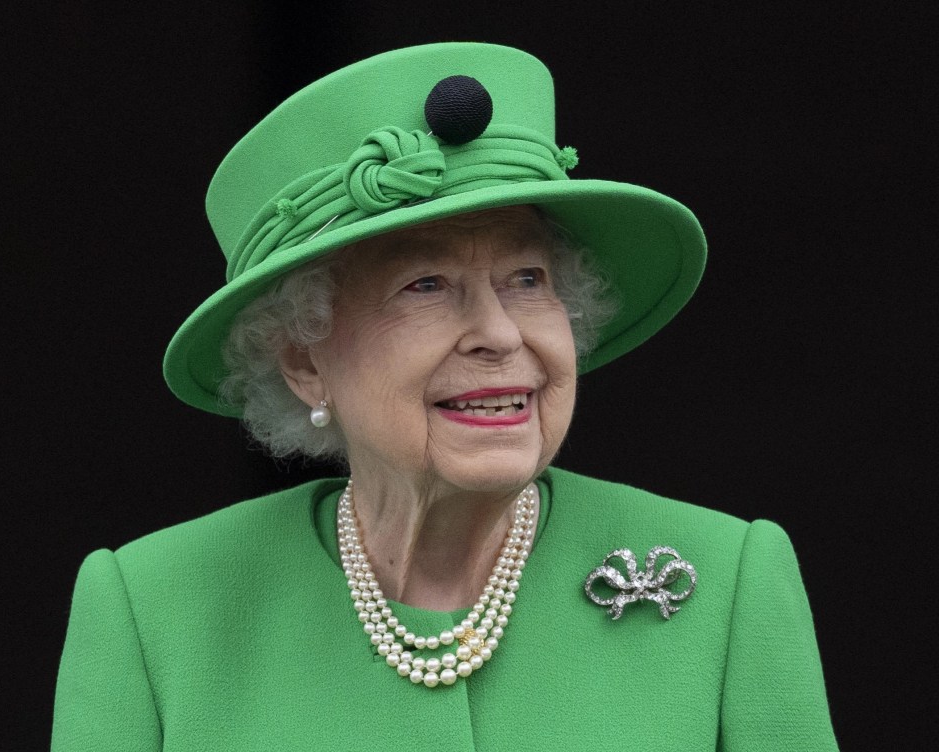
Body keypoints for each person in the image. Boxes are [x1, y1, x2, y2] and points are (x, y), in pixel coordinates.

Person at [52, 43, 839, 751]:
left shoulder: (728, 581)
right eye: (425, 285)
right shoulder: (152, 610)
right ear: (303, 361)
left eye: (527, 279)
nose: (498, 333)